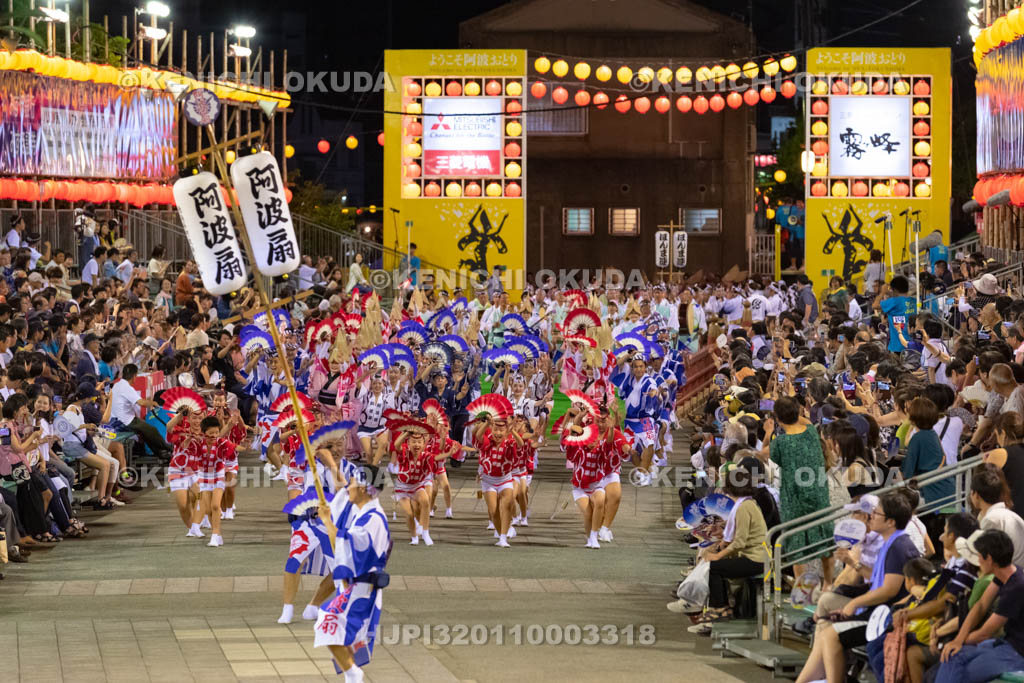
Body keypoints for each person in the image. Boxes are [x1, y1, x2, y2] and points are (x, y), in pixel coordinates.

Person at [794, 492, 920, 683]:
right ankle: (810, 680)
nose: (871, 518)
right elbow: (878, 579)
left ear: (890, 522)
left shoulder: (899, 547)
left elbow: (889, 590)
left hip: (884, 617)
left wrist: (855, 604)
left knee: (830, 635)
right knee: (824, 624)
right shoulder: (892, 542)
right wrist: (855, 565)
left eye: (876, 514)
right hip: (877, 609)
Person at [314, 463, 391, 683]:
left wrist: (327, 521)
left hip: (362, 587)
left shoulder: (372, 518)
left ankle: (353, 673)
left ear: (365, 488)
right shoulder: (364, 513)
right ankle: (352, 674)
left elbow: (344, 544)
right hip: (357, 585)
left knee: (328, 624)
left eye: (354, 483)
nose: (349, 487)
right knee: (342, 631)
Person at [936, 529, 1024, 683]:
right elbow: (981, 605)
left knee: (960, 672)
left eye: (979, 556)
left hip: (1017, 652)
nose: (977, 560)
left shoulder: (1016, 587)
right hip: (1006, 643)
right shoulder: (1006, 573)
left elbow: (984, 633)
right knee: (951, 656)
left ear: (989, 559)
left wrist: (957, 642)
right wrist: (958, 639)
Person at [764, 396, 833, 572]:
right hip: (818, 493)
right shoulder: (811, 431)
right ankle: (828, 583)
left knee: (796, 546)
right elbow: (803, 420)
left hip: (793, 498)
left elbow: (762, 454)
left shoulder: (779, 443)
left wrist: (768, 432)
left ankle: (801, 590)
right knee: (825, 539)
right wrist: (792, 411)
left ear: (778, 418)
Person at [109, 364, 172, 460]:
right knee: (152, 430)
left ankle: (160, 453)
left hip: (115, 420)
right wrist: (153, 403)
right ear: (134, 376)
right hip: (124, 422)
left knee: (146, 431)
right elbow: (141, 402)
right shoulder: (126, 388)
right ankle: (168, 448)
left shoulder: (117, 385)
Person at [970, 465, 1024, 569]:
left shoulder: (991, 520)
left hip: (1010, 577)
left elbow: (987, 559)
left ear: (976, 495)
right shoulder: (1009, 514)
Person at [983, 411, 1024, 514]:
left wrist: (985, 462)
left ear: (1003, 433)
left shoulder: (999, 454)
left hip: (1012, 514)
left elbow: (984, 487)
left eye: (996, 435)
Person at [878, 275, 917, 353]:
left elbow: (874, 305)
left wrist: (882, 292)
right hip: (913, 344)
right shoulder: (914, 301)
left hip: (897, 346)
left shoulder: (893, 301)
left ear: (894, 290)